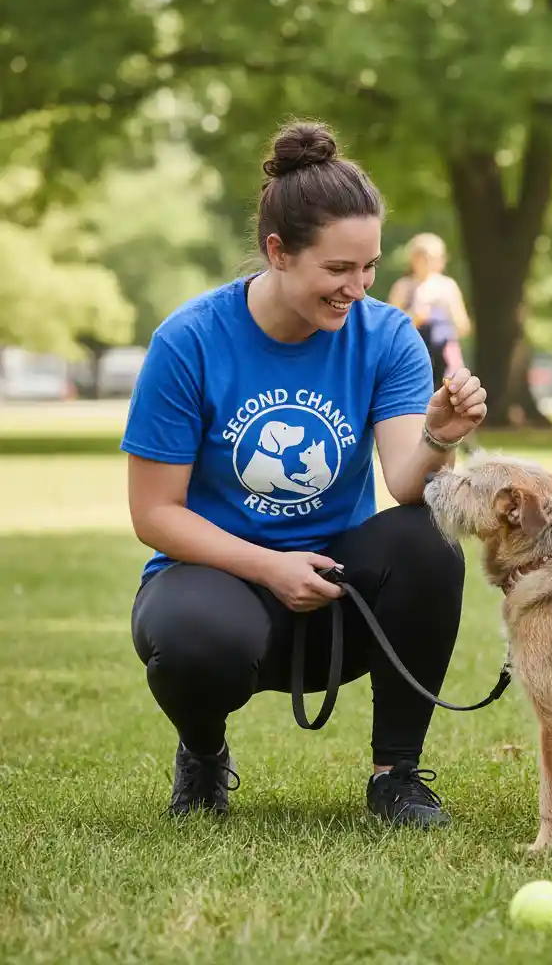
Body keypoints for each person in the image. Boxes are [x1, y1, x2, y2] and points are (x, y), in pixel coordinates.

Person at [122, 121, 488, 828]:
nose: (358, 288)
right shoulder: (189, 340)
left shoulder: (385, 337)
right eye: (338, 270)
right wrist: (268, 567)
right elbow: (155, 514)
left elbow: (406, 487)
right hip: (221, 583)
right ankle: (202, 757)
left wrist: (439, 436)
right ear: (278, 252)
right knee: (195, 639)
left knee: (427, 535)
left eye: (369, 267)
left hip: (334, 594)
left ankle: (397, 776)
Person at [387, 233, 472, 392]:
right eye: (424, 257)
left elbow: (463, 327)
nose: (429, 263)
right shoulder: (404, 287)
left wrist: (446, 316)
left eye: (436, 257)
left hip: (445, 356)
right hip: (413, 355)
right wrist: (414, 316)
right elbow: (389, 328)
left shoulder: (448, 287)